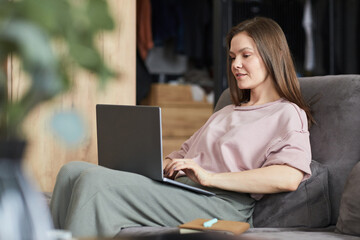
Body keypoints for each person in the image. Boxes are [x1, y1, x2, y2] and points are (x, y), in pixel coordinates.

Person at [50, 17, 313, 237]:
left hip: (222, 204)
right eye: (232, 57)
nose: (235, 65)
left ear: (274, 56)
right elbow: (184, 153)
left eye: (246, 56)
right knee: (71, 171)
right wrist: (162, 163)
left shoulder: (287, 113)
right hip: (186, 189)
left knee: (96, 184)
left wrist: (210, 178)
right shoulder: (226, 112)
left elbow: (288, 177)